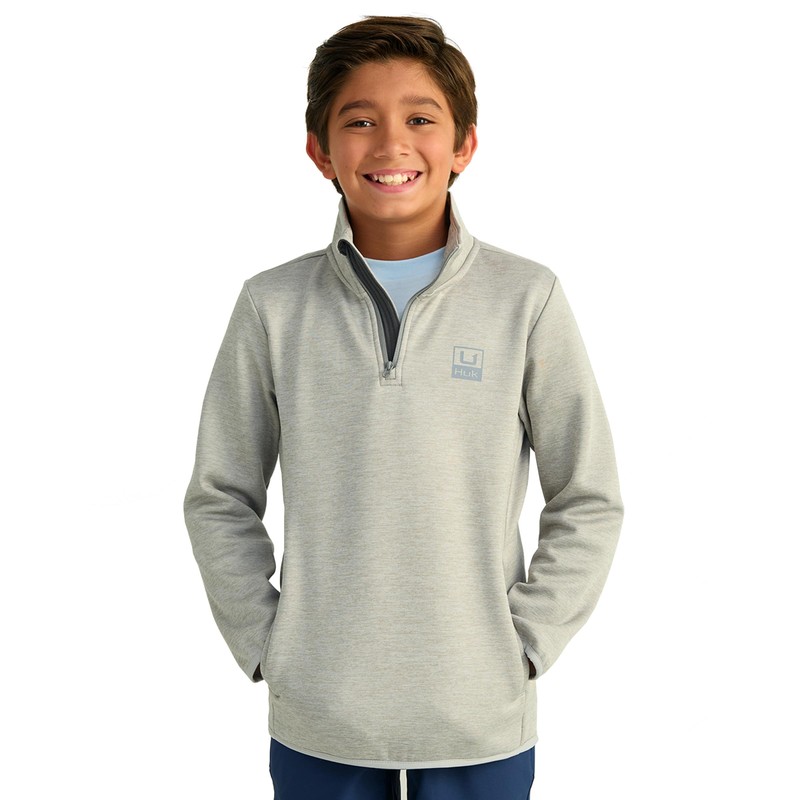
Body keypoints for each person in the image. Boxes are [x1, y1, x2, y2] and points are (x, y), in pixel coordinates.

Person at [184, 15, 624, 800]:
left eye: (421, 120)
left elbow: (588, 495)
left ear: (464, 146)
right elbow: (220, 494)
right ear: (320, 151)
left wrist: (526, 645)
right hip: (321, 714)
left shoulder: (526, 298)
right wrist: (265, 643)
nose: (391, 144)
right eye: (360, 121)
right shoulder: (271, 306)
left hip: (479, 716)